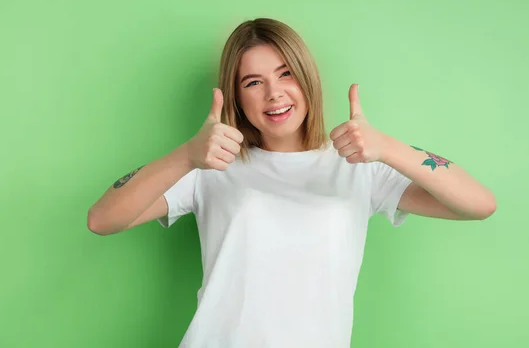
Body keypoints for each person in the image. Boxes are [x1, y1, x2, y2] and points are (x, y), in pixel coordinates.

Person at [88, 18, 496, 347]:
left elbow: (478, 204)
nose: (274, 94)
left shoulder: (358, 166)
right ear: (236, 96)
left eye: (286, 74)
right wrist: (185, 157)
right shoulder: (212, 165)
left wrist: (388, 147)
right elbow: (102, 219)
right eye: (253, 82)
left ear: (307, 78)